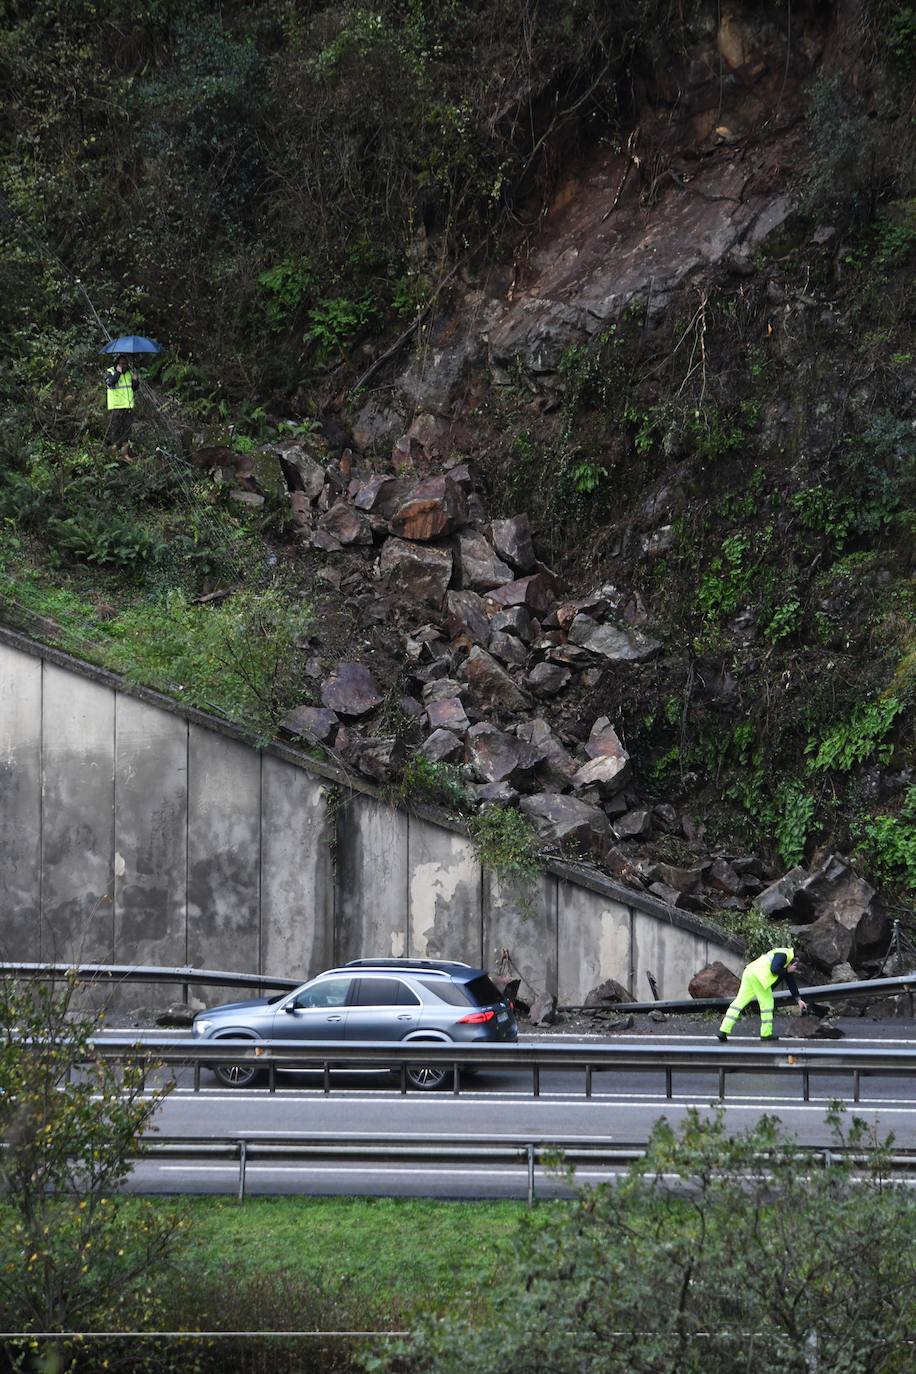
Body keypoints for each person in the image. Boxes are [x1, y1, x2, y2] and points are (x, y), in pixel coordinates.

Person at [717, 946, 807, 1041]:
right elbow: (774, 969)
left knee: (738, 1003)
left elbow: (790, 981)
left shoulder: (784, 956)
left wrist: (798, 1000)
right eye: (797, 964)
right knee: (767, 1005)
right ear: (796, 959)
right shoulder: (783, 955)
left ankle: (723, 1031)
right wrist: (787, 970)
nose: (796, 966)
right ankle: (766, 1034)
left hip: (749, 973)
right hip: (759, 978)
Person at [105, 355, 137, 453]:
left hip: (128, 407)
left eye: (125, 364)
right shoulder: (110, 372)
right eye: (122, 364)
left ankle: (125, 453)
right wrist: (118, 372)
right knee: (115, 430)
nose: (124, 366)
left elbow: (135, 388)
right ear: (117, 364)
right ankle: (115, 452)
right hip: (116, 407)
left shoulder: (129, 373)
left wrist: (135, 380)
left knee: (127, 431)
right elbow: (110, 383)